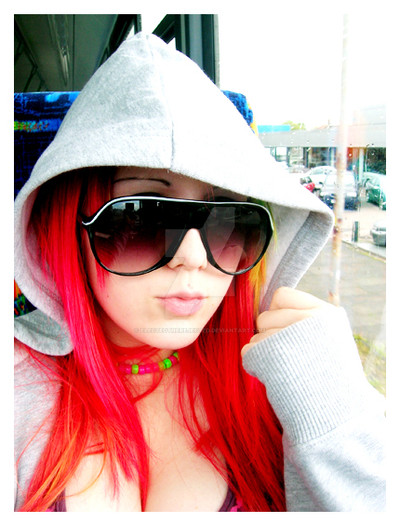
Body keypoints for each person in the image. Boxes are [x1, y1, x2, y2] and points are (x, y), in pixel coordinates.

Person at [14, 32, 385, 512]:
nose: (193, 257)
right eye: (142, 218)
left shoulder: (288, 378)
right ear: (69, 227)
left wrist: (340, 419)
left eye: (228, 220)